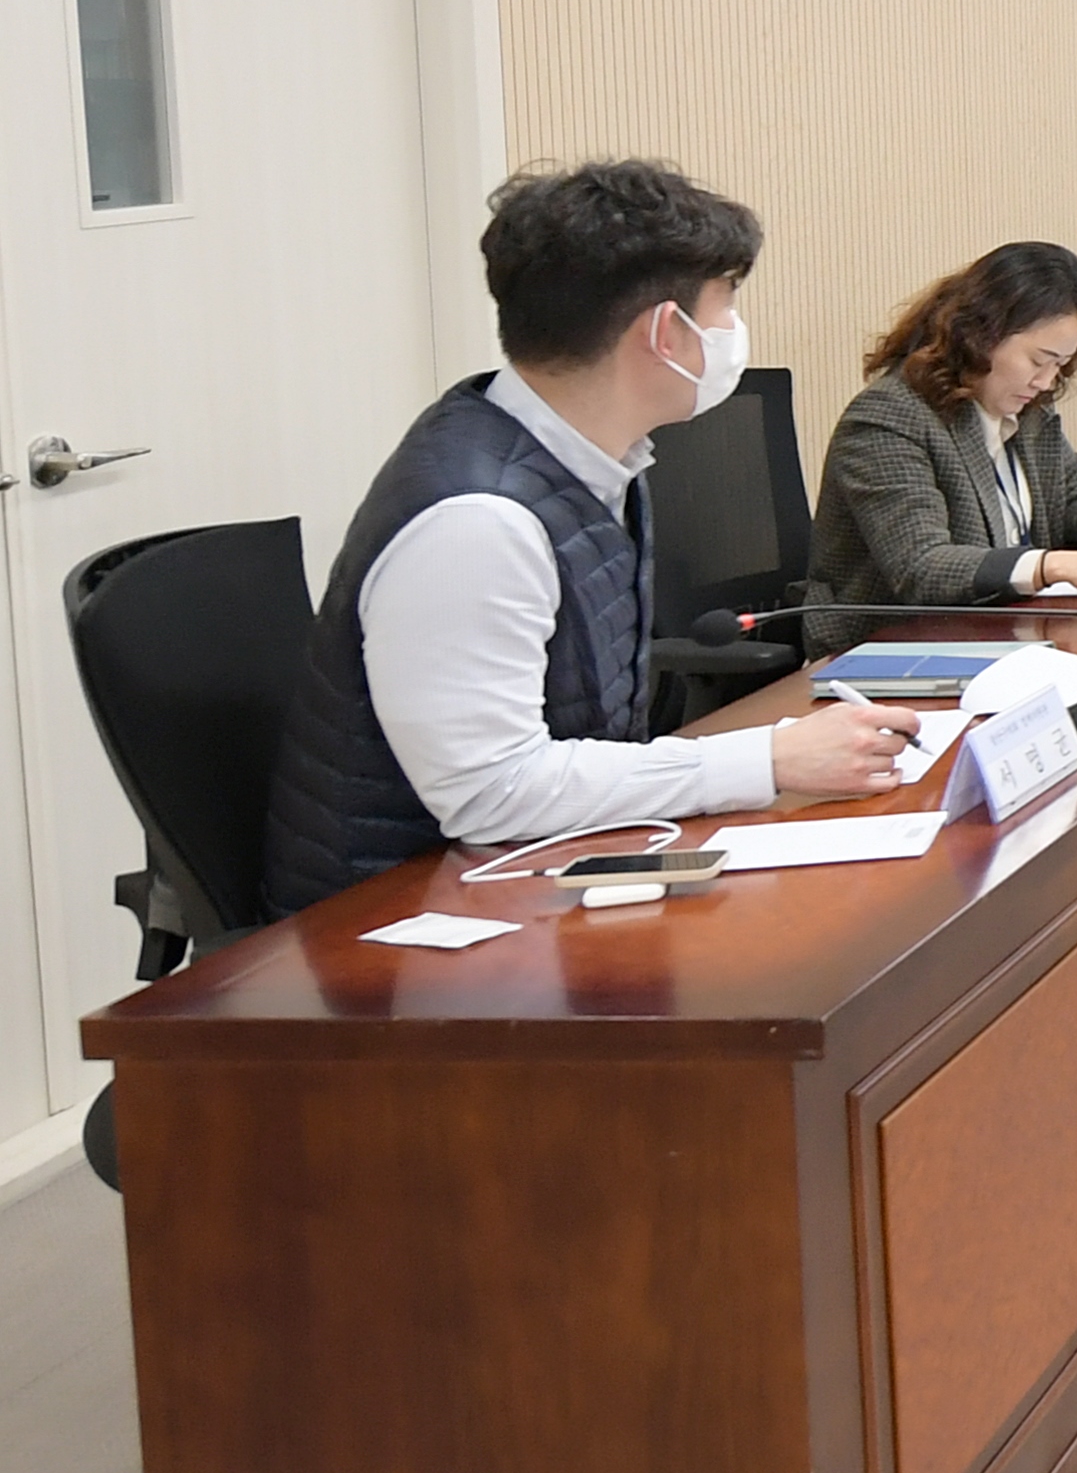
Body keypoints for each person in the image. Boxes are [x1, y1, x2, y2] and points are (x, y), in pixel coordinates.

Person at [262, 161, 918, 918]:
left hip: (526, 879)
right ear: (666, 333)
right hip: (395, 932)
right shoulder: (480, 522)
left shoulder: (589, 456)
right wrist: (765, 758)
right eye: (725, 307)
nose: (733, 333)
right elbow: (492, 793)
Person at [808, 243, 1077, 650]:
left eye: (1060, 366)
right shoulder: (890, 418)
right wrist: (1055, 566)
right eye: (1038, 361)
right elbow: (922, 567)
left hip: (1005, 635)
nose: (1047, 381)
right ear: (980, 336)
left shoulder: (1027, 413)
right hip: (890, 653)